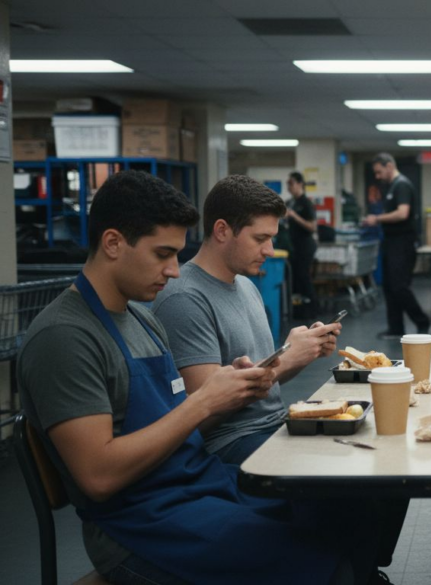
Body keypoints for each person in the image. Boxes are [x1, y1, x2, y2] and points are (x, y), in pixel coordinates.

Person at [17, 170, 376, 584]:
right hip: (141, 525)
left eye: (177, 255)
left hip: (194, 487)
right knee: (323, 566)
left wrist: (230, 389)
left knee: (339, 513)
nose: (174, 271)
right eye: (162, 254)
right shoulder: (65, 337)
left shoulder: (141, 319)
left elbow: (177, 427)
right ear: (113, 243)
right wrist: (205, 402)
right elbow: (99, 477)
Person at [152, 175, 340, 464]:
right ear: (222, 230)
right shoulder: (185, 299)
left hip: (273, 425)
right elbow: (204, 413)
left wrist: (297, 354)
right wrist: (287, 360)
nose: (269, 250)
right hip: (231, 442)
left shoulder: (246, 286)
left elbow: (262, 379)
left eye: (272, 239)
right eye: (260, 239)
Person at [362, 152, 431, 339]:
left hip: (403, 243)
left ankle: (422, 320)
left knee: (399, 286)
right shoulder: (392, 186)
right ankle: (396, 328)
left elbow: (402, 213)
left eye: (379, 172)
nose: (377, 176)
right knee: (389, 287)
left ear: (389, 166)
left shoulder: (402, 185)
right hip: (391, 242)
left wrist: (376, 218)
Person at [286, 171, 318, 319]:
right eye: (288, 184)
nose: (289, 187)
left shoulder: (306, 203)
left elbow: (312, 227)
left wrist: (294, 216)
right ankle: (299, 311)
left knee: (304, 277)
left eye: (291, 183)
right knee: (296, 279)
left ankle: (313, 310)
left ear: (300, 184)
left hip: (305, 246)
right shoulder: (290, 203)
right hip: (293, 247)